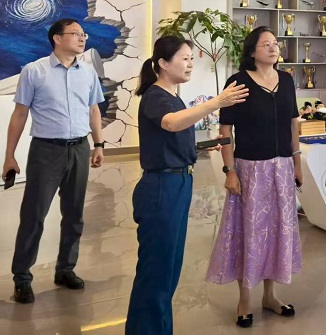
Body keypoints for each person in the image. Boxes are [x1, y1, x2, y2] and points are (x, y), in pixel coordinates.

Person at [126, 36, 248, 334]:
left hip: (178, 182)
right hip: (161, 187)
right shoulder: (156, 96)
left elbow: (172, 137)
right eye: (184, 58)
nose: (191, 63)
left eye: (192, 58)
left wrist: (201, 146)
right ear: (163, 64)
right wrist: (217, 102)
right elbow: (171, 123)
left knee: (168, 271)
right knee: (157, 272)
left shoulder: (173, 96)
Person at [206, 27, 303, 328]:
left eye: (275, 44)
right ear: (251, 51)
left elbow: (293, 124)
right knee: (250, 233)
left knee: (277, 231)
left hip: (282, 167)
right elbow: (225, 132)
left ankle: (270, 296)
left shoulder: (286, 80)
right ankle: (245, 299)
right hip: (250, 169)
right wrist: (230, 170)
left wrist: (297, 161)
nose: (273, 48)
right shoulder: (238, 83)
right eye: (266, 44)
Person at [4, 19, 105, 304]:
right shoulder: (34, 71)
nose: (82, 38)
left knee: (74, 214)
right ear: (57, 39)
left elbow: (94, 109)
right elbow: (20, 115)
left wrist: (98, 144)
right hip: (46, 151)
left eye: (84, 34)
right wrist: (9, 155)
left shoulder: (88, 72)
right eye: (76, 34)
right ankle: (22, 278)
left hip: (79, 149)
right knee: (34, 215)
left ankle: (65, 269)